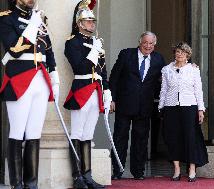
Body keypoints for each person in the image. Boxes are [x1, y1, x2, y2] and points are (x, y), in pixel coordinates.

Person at [0, 0, 60, 188]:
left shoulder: (39, 19)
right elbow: (15, 49)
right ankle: (17, 184)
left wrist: (54, 76)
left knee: (34, 132)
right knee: (17, 132)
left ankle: (31, 183)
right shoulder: (7, 18)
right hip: (19, 78)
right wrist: (33, 25)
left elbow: (48, 51)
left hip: (40, 79)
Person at [63, 0, 110, 188]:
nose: (92, 24)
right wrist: (94, 51)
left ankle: (87, 176)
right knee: (77, 133)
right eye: (88, 21)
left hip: (96, 90)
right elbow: (80, 66)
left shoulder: (95, 42)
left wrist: (107, 90)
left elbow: (102, 70)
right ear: (79, 24)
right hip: (81, 88)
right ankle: (77, 177)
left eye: (93, 21)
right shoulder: (72, 42)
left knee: (88, 135)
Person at [109, 31, 165, 180]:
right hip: (124, 104)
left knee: (140, 139)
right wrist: (111, 99)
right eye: (145, 42)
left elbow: (168, 76)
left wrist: (189, 66)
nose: (148, 46)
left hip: (144, 106)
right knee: (120, 138)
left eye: (151, 43)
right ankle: (117, 170)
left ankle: (138, 172)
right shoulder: (126, 54)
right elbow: (114, 77)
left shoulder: (159, 59)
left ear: (154, 45)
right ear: (140, 42)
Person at [158, 42, 208, 182]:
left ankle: (192, 169)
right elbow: (164, 90)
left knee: (190, 137)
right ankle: (177, 169)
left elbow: (198, 90)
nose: (179, 54)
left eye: (182, 52)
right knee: (173, 138)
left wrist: (201, 109)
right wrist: (161, 107)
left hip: (189, 106)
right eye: (177, 52)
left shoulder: (193, 69)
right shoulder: (167, 69)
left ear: (187, 55)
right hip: (171, 106)